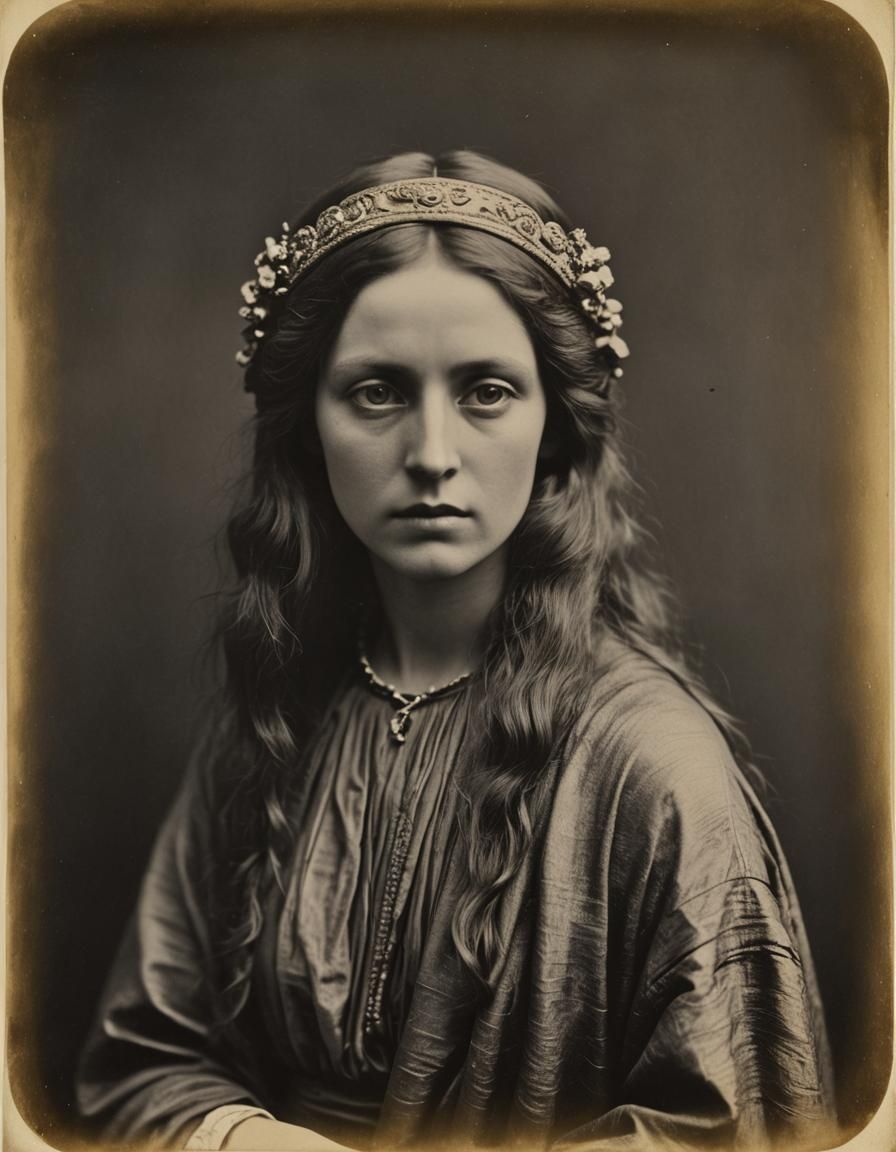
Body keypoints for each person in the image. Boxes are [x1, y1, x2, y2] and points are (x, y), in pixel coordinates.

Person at [76, 151, 835, 1151]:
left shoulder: (650, 769)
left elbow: (738, 1124)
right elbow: (142, 1060)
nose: (431, 452)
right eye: (378, 392)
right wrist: (243, 1137)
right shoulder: (274, 719)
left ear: (551, 428)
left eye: (484, 391)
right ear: (307, 427)